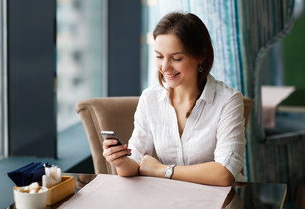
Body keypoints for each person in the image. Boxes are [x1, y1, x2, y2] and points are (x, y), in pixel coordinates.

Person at [102, 12, 246, 207]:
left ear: (201, 55)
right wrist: (119, 161)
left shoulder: (228, 101)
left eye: (176, 58)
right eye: (159, 56)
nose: (165, 67)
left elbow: (224, 173)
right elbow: (135, 165)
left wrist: (161, 170)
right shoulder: (150, 98)